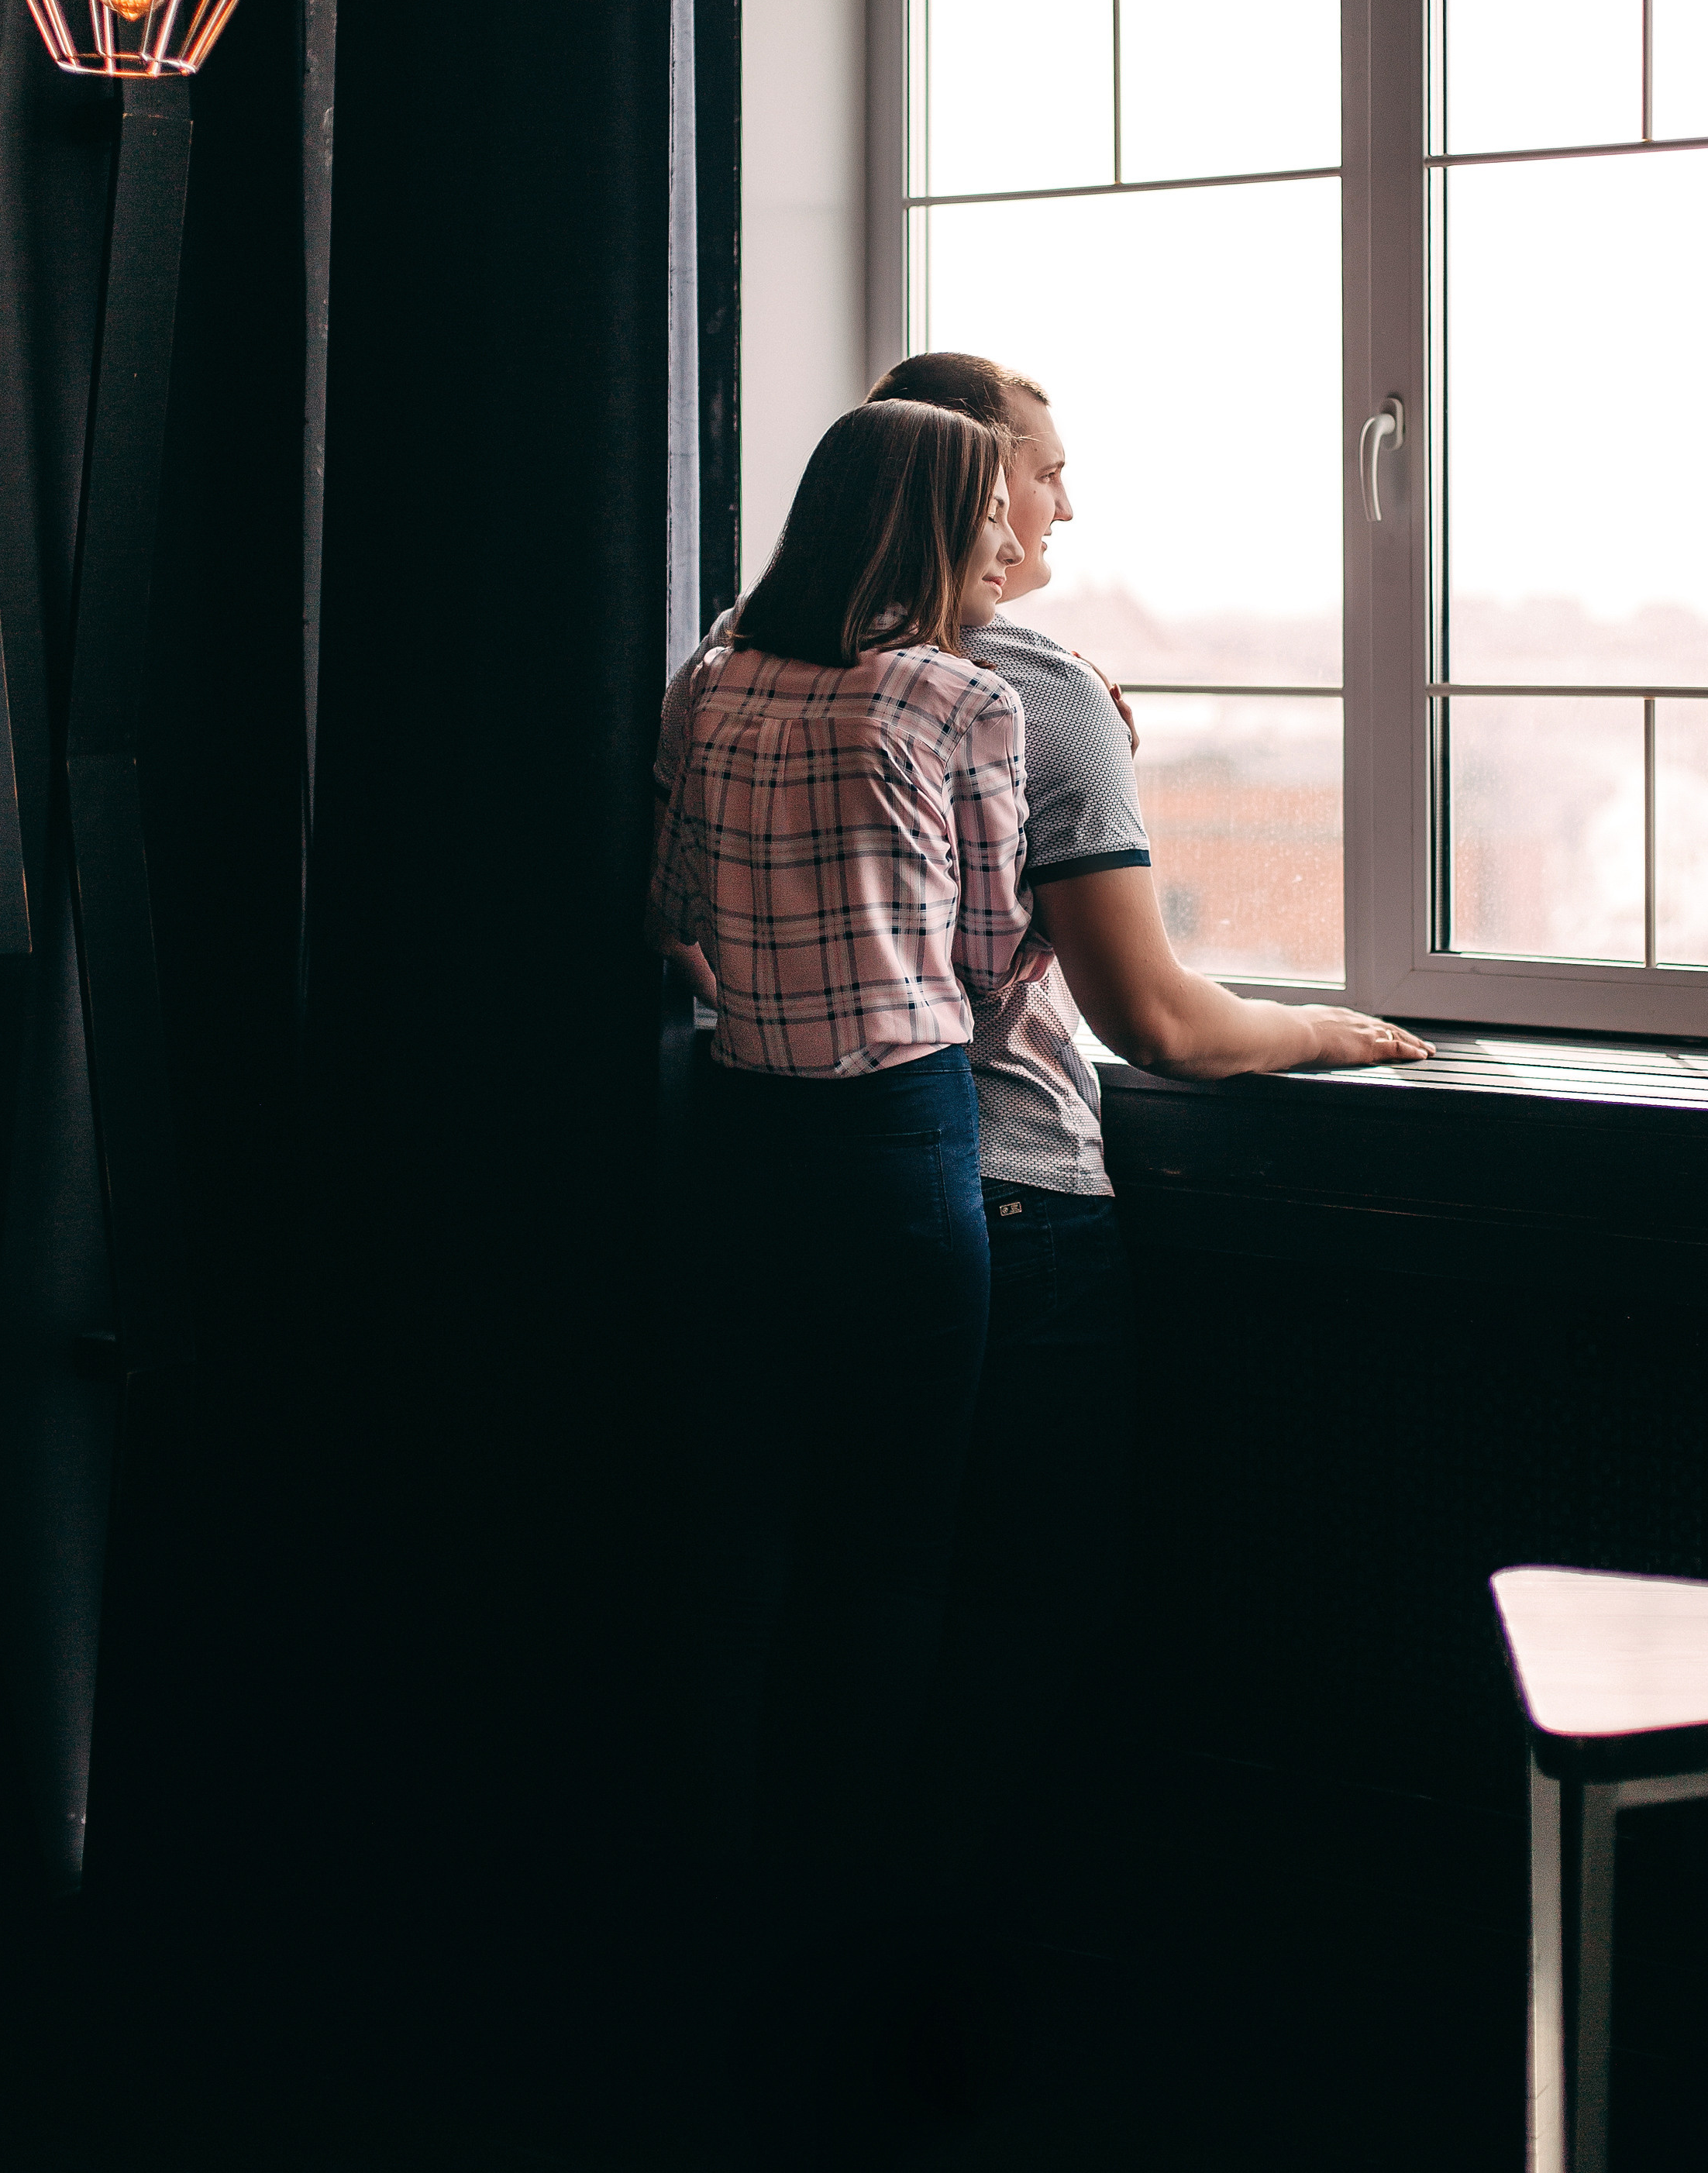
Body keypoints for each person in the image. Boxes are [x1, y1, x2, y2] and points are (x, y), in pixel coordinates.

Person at [863, 350, 1431, 2042]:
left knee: (852, 1609)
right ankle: (972, 2008)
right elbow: (1159, 1017)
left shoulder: (761, 659)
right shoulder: (1025, 692)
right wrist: (1326, 1029)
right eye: (1042, 469)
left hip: (804, 1197)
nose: (1060, 501)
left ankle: (830, 1995)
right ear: (975, 490)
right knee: (1025, 1625)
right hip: (1014, 1209)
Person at [646, 398, 1028, 2159]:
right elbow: (988, 946)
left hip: (732, 1144)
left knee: (731, 1534)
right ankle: (845, 1954)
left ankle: (703, 1939)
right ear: (935, 535)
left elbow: (671, 911)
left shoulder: (709, 682)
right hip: (897, 1147)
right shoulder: (958, 698)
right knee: (893, 1558)